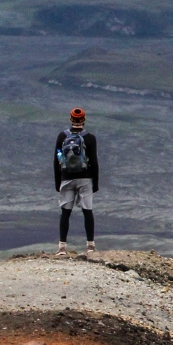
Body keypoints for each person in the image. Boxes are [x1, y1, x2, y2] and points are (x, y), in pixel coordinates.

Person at [54, 107, 99, 256]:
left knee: (65, 212)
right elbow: (94, 161)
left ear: (71, 119)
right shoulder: (90, 138)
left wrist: (57, 182)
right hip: (85, 179)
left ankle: (62, 247)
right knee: (87, 211)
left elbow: (57, 159)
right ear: (84, 120)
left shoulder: (62, 137)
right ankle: (90, 246)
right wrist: (95, 183)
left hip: (66, 178)